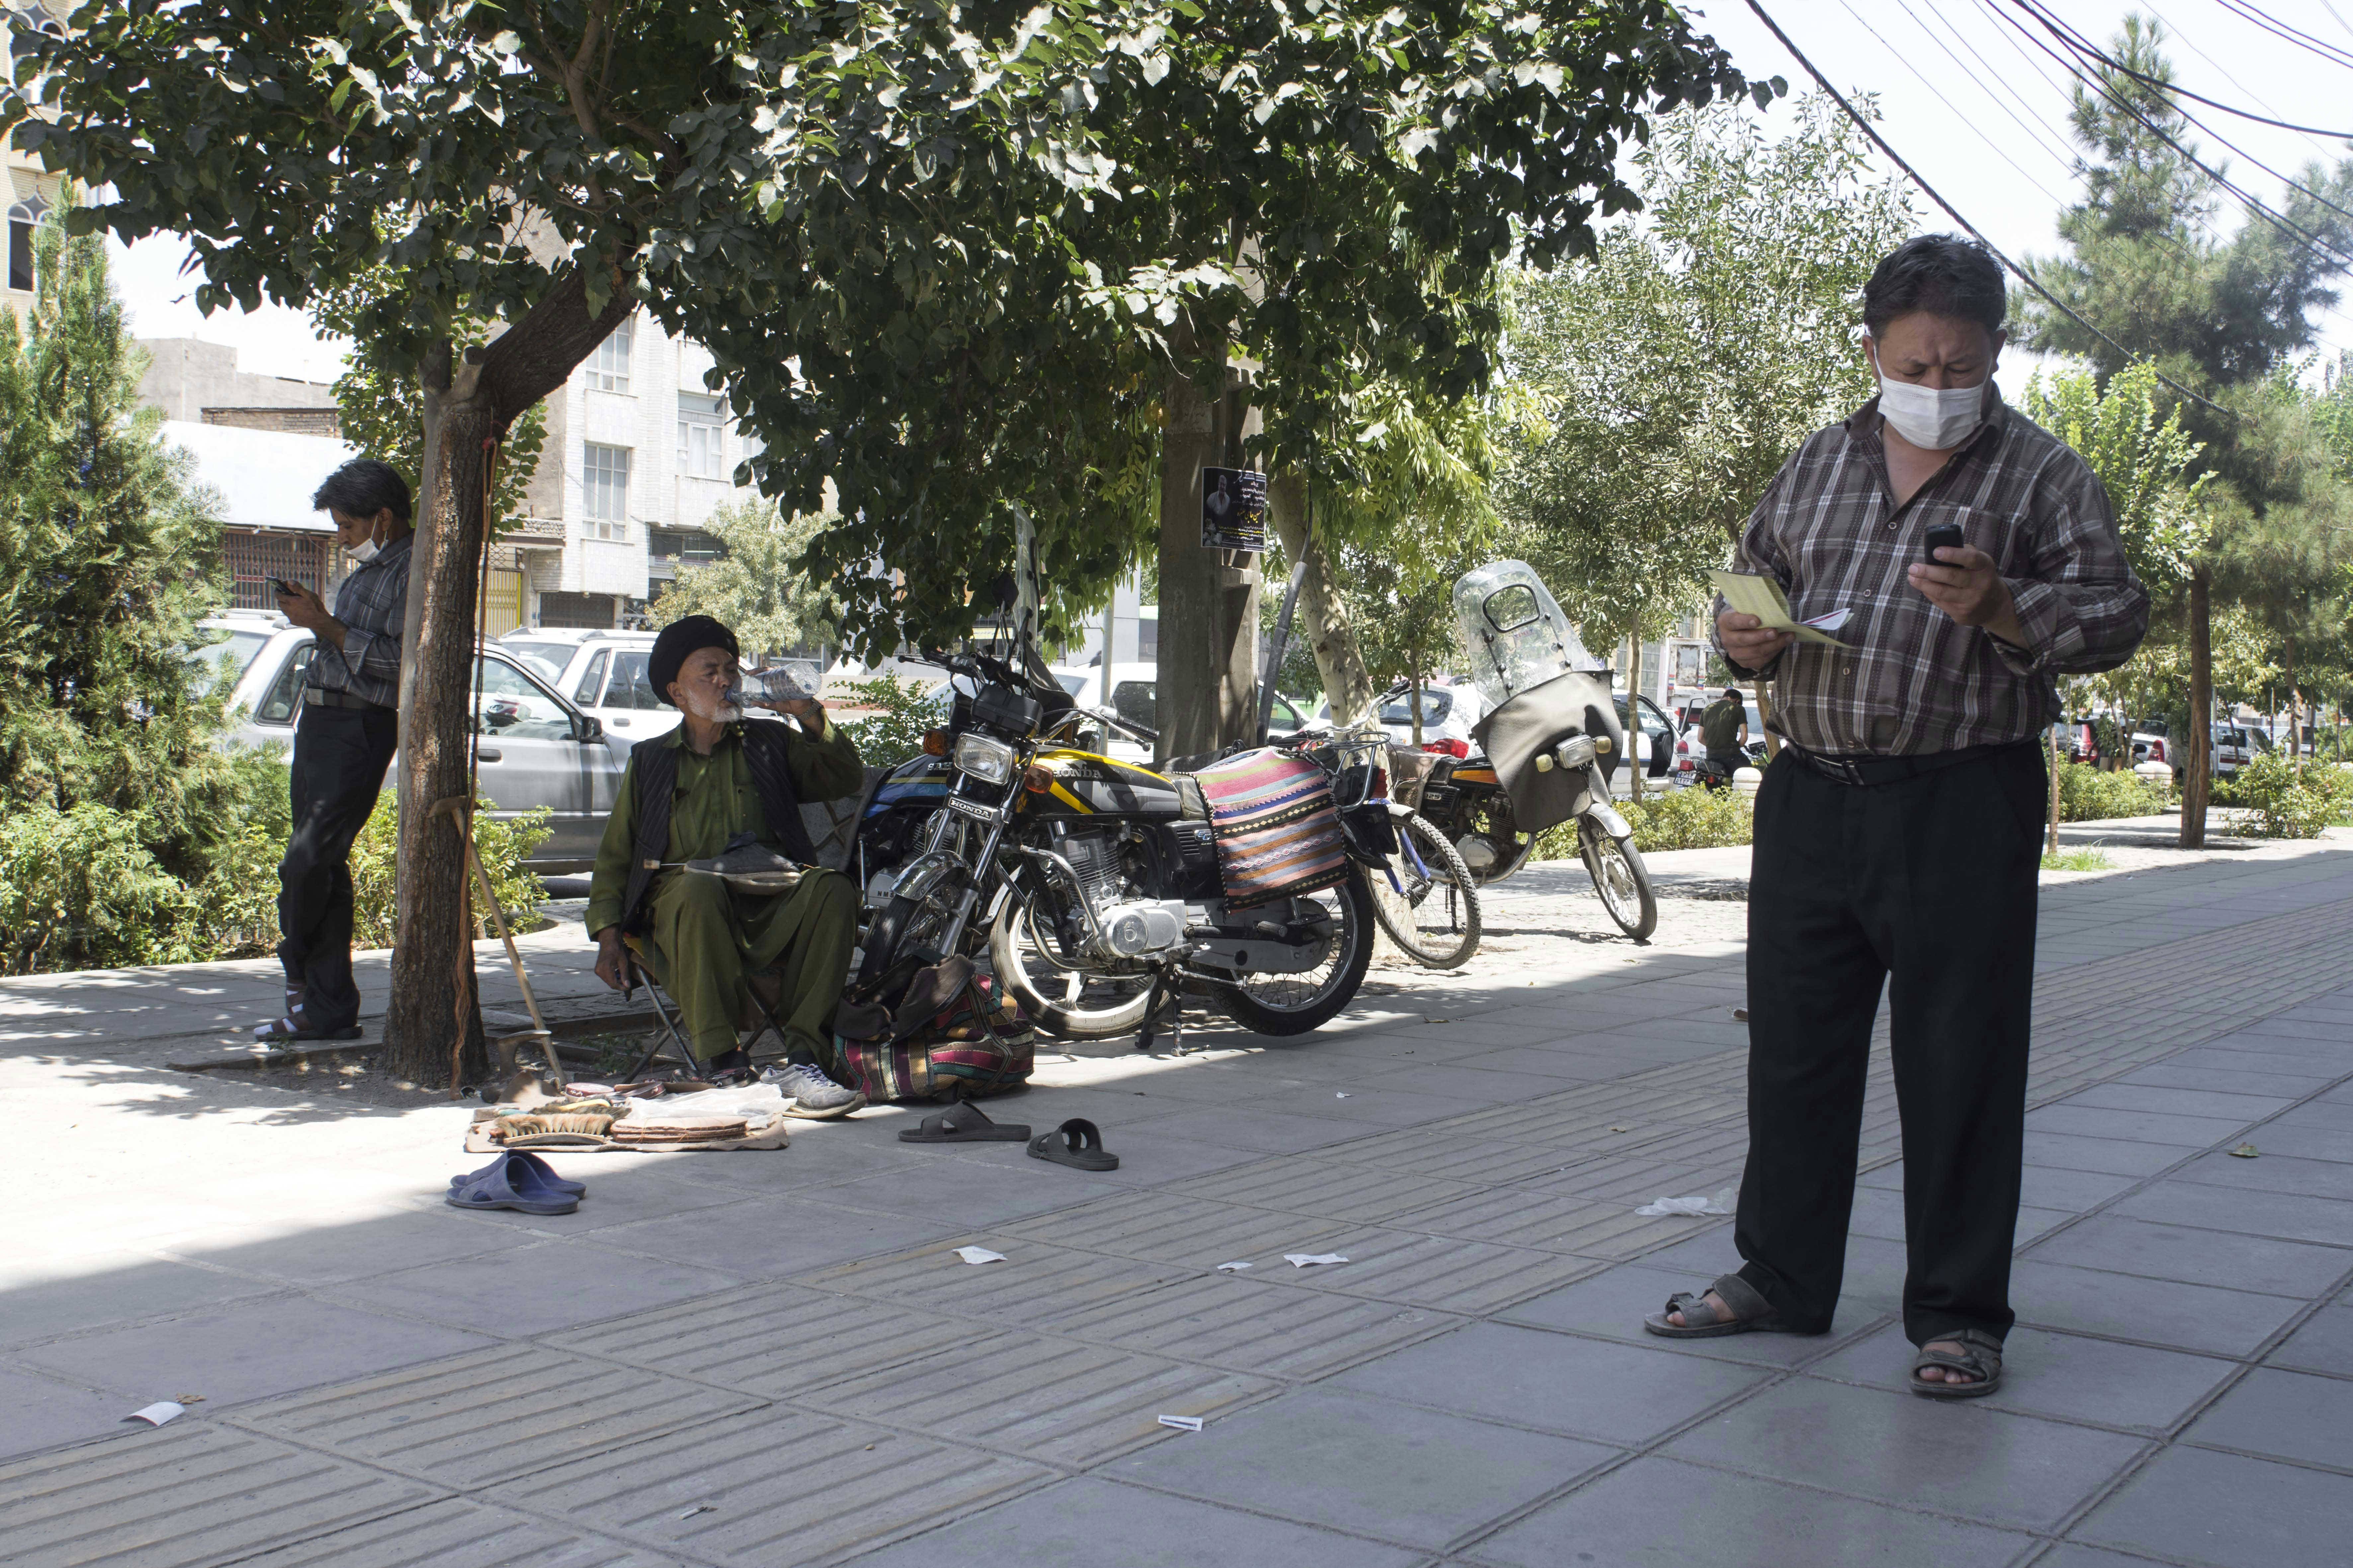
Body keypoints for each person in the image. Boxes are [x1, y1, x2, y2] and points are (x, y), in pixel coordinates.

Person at [1643, 235, 2148, 1398]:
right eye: (1914, 361)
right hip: (1814, 794)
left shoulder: (2040, 474)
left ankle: (1959, 1315)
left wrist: (2005, 605)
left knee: (1958, 1060)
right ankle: (1777, 1274)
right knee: (1794, 1051)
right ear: (1870, 350)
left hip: (1962, 796)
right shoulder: (1814, 466)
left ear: (1994, 354)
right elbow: (1745, 581)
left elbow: (2117, 611)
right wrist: (1742, 639)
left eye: (1959, 363)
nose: (1936, 384)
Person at [583, 615, 869, 1116]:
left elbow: (843, 778)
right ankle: (722, 1060)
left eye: (730, 670)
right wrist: (608, 938)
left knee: (831, 889)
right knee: (698, 887)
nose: (724, 680)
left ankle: (803, 1058)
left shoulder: (768, 743)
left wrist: (805, 713)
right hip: (685, 910)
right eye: (708, 671)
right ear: (677, 691)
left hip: (770, 896)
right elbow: (615, 856)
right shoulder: (651, 760)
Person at [256, 458, 413, 1042]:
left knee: (305, 860)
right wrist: (316, 620)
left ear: (385, 517)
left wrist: (323, 623)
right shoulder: (368, 571)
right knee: (323, 867)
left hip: (360, 727)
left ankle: (298, 976)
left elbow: (404, 663)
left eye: (349, 526)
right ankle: (326, 1008)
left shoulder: (411, 570)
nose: (343, 538)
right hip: (320, 722)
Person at [1697, 686, 1750, 782]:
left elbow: (1700, 738)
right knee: (1750, 771)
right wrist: (1735, 748)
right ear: (1738, 701)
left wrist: (1714, 746)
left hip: (1711, 756)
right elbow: (1744, 737)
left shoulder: (1706, 710)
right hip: (1731, 757)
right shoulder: (1739, 709)